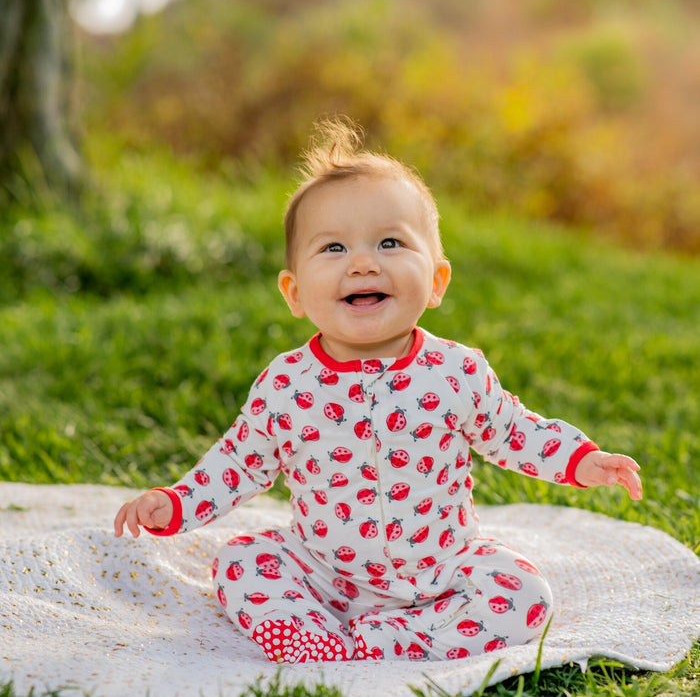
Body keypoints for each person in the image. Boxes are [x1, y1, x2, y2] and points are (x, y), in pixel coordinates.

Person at [114, 118, 643, 664]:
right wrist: (175, 502)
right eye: (334, 248)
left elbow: (512, 431)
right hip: (322, 570)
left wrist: (581, 459)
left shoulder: (454, 370)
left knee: (525, 595)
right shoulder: (286, 385)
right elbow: (238, 462)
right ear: (294, 293)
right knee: (241, 561)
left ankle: (380, 641)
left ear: (436, 282)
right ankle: (307, 631)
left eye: (390, 242)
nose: (363, 262)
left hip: (440, 568)